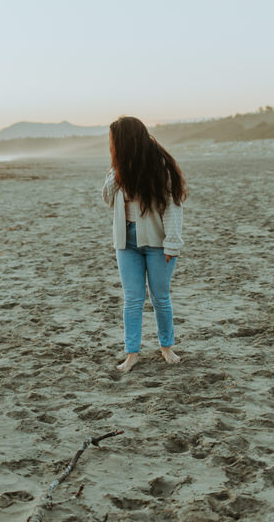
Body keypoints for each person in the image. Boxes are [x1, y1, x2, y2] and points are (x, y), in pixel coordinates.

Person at [102, 116, 186, 373]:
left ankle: (166, 347)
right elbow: (107, 199)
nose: (112, 145)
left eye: (115, 140)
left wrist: (173, 242)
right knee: (132, 299)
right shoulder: (119, 169)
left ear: (127, 141)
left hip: (157, 242)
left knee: (160, 297)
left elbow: (173, 206)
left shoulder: (159, 166)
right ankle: (132, 353)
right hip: (125, 241)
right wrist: (118, 172)